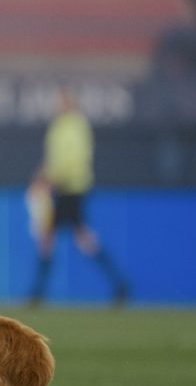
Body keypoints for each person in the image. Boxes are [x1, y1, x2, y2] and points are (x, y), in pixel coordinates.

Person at [28, 86, 129, 306]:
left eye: (62, 100)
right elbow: (55, 158)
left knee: (64, 238)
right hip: (62, 190)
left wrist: (50, 178)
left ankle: (37, 293)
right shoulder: (60, 126)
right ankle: (119, 284)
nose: (58, 105)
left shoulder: (75, 127)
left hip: (70, 190)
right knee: (70, 238)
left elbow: (72, 161)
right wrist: (44, 173)